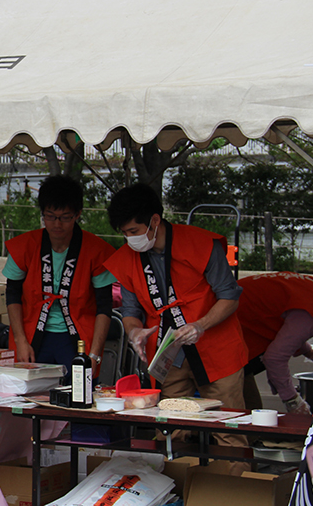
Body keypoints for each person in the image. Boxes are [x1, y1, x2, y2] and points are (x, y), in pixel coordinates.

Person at [103, 183, 248, 456]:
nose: (129, 239)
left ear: (155, 221)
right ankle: (177, 489)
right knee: (171, 430)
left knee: (228, 429)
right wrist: (135, 333)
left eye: (134, 231)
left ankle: (234, 493)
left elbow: (230, 297)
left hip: (216, 348)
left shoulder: (201, 244)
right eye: (124, 233)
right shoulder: (127, 258)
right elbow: (131, 311)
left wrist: (200, 325)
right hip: (168, 354)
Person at [3, 175, 116, 367]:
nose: (57, 224)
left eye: (65, 217)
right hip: (31, 335)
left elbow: (104, 306)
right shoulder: (24, 247)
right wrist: (20, 341)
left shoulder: (96, 250)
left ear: (78, 214)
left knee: (80, 393)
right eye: (50, 216)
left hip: (78, 337)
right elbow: (12, 294)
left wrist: (95, 355)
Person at [238, 272, 313, 414]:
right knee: (237, 414)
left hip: (236, 322)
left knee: (250, 409)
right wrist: (293, 401)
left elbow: (290, 328)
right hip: (221, 338)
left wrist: (310, 353)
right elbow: (274, 358)